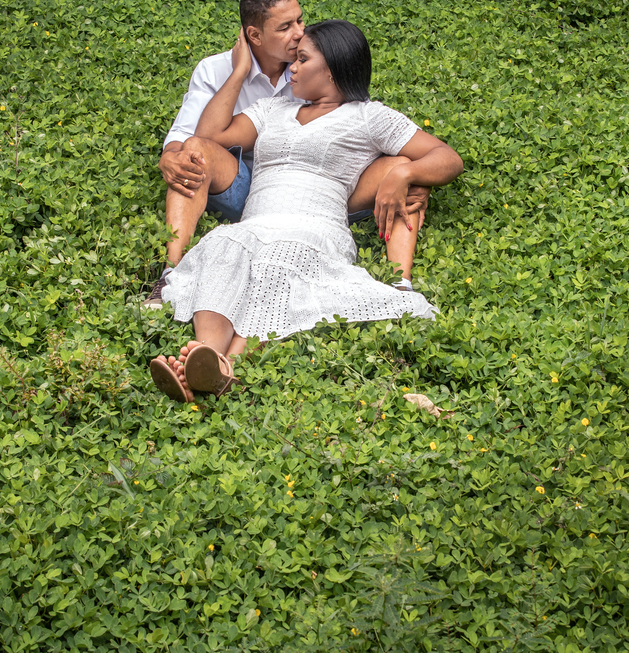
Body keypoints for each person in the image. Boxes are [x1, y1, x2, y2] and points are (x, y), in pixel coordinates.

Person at [148, 20, 464, 402]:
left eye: (302, 59)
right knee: (224, 247)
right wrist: (240, 71)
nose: (292, 69)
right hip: (257, 220)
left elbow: (448, 158)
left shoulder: (370, 116)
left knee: (281, 261)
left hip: (315, 227)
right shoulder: (273, 109)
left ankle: (230, 365)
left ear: (331, 69)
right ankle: (207, 354)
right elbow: (209, 136)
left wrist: (406, 171)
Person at [143, 0, 430, 308]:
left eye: (300, 21)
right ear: (255, 36)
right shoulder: (216, 70)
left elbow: (352, 121)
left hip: (324, 189)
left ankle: (400, 283)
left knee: (406, 170)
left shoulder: (318, 60)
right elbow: (194, 135)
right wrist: (238, 73)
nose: (298, 33)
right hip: (246, 181)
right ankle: (171, 272)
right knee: (191, 156)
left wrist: (406, 175)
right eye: (285, 27)